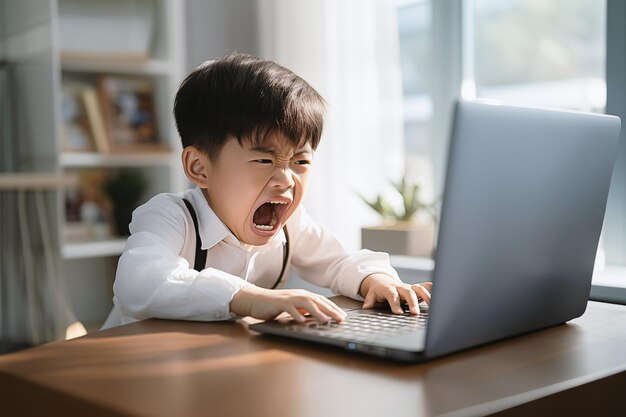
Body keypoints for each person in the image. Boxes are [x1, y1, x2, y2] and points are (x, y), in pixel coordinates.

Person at [102, 53, 432, 329]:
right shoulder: (171, 217)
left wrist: (377, 280)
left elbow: (339, 262)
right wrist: (250, 298)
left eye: (300, 160)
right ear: (199, 168)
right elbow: (139, 281)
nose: (286, 179)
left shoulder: (291, 225)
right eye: (264, 158)